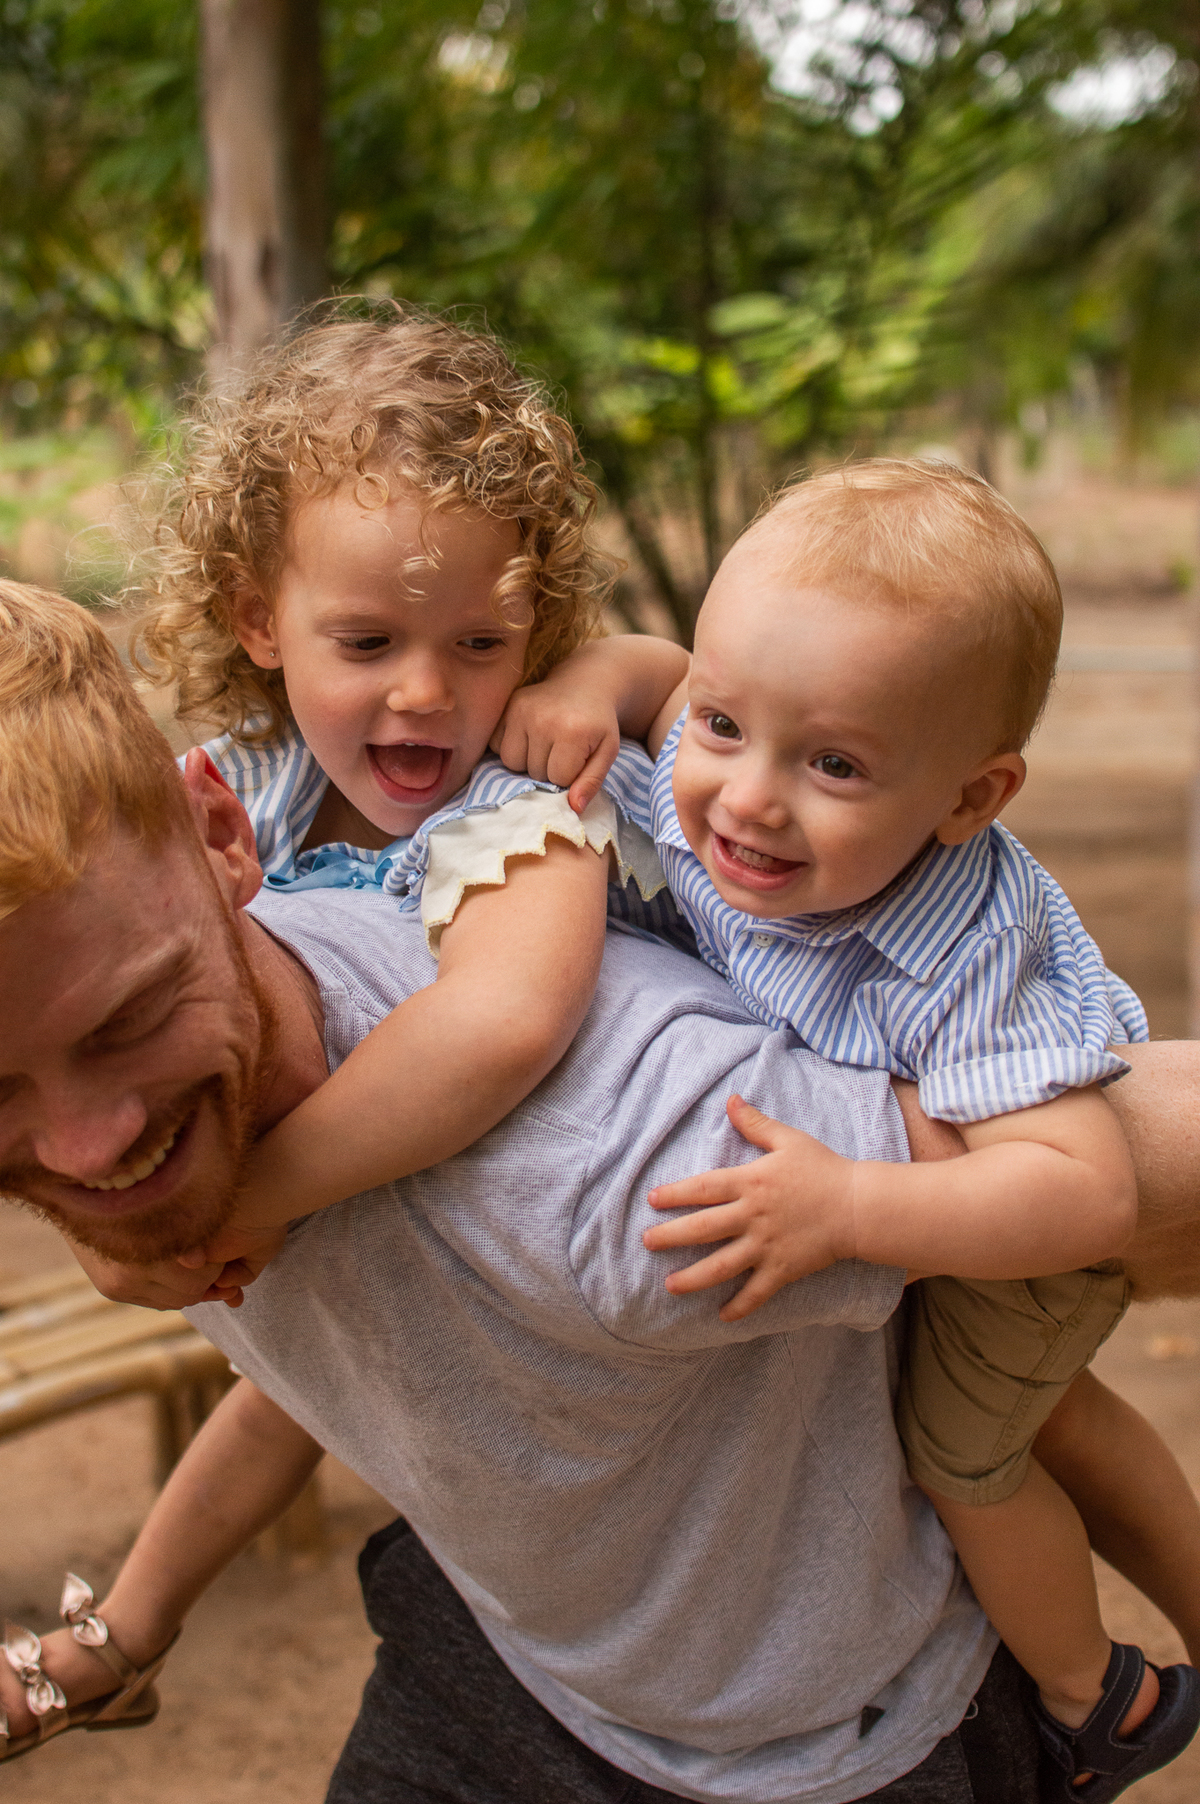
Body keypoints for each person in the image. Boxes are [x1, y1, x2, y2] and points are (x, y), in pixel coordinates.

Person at [3, 599, 1200, 1799]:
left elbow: (1131, 1160)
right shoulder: (179, 1054)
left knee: (1010, 1436)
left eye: (130, 1019)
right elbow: (344, 1353)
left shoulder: (629, 1159)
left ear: (220, 832)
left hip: (815, 1739)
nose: (92, 1145)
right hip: (506, 1642)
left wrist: (855, 1202)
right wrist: (125, 1631)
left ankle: (1094, 1691)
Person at [544, 457, 1195, 1790]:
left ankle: (1100, 1697)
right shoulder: (716, 778)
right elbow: (660, 676)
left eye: (833, 763)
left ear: (970, 799)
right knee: (1065, 1418)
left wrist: (852, 1205)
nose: (746, 796)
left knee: (966, 1452)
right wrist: (592, 683)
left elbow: (1086, 1192)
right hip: (936, 1191)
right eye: (727, 725)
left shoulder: (959, 954)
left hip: (1011, 1232)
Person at [125, 302, 687, 1285]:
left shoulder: (528, 793)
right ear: (259, 620)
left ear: (536, 625)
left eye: (480, 643)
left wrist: (240, 1204)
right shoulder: (245, 783)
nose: (425, 692)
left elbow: (501, 1022)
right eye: (368, 642)